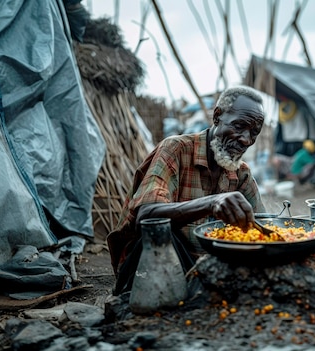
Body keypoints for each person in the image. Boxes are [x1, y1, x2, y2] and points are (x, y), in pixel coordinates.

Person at [107, 86, 267, 294]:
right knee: (164, 233)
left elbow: (265, 224)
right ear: (217, 116)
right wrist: (212, 203)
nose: (246, 139)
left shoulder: (241, 173)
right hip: (147, 269)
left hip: (203, 268)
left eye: (254, 132)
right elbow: (145, 216)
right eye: (238, 126)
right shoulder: (176, 149)